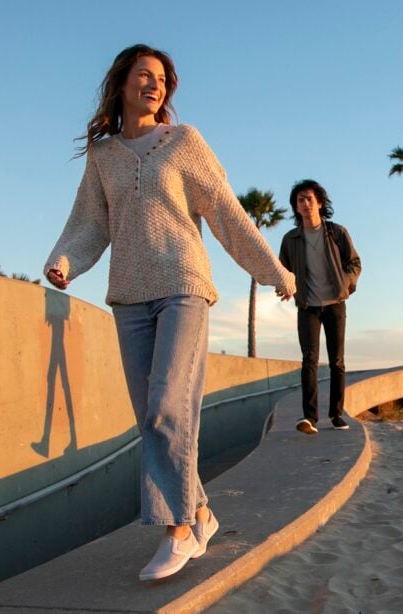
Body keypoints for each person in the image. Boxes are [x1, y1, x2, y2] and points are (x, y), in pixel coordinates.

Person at [44, 44, 295, 581]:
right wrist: (65, 260)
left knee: (167, 406)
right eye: (144, 75)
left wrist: (272, 270)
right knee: (152, 419)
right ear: (122, 84)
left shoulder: (184, 142)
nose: (154, 85)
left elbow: (226, 211)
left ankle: (177, 529)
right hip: (128, 297)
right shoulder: (104, 156)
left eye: (161, 78)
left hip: (183, 285)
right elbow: (90, 223)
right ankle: (201, 512)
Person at [279, 180, 361, 435]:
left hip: (335, 304)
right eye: (299, 200)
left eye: (308, 199)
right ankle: (310, 418)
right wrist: (284, 286)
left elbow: (355, 263)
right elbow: (283, 270)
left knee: (337, 361)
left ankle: (336, 414)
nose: (304, 204)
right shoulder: (291, 239)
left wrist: (344, 285)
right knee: (309, 361)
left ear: (319, 203)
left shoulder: (337, 233)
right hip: (308, 307)